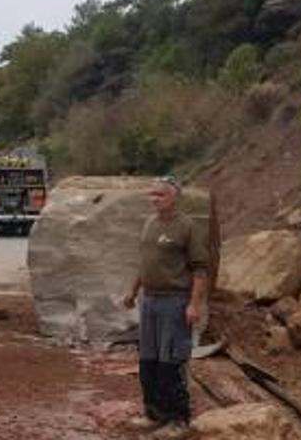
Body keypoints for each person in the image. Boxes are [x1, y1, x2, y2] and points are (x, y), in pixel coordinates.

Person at [123, 176, 209, 440]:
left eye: (160, 195)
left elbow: (201, 270)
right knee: (148, 360)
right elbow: (145, 262)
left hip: (175, 302)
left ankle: (178, 420)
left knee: (171, 361)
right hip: (149, 301)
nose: (154, 199)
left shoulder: (187, 227)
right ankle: (154, 414)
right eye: (152, 194)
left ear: (174, 197)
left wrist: (194, 305)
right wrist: (133, 290)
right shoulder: (150, 223)